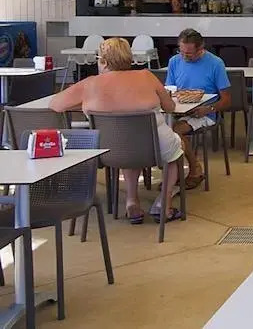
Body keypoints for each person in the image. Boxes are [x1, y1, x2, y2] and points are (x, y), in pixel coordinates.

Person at [50, 37, 183, 223]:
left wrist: (86, 103)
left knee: (128, 148)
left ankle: (131, 201)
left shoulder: (90, 84)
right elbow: (169, 107)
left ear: (104, 62)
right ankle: (164, 204)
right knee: (176, 151)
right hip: (155, 146)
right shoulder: (146, 76)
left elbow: (55, 105)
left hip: (110, 150)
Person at [167, 28, 231, 190]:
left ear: (200, 49)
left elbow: (226, 100)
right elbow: (170, 90)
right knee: (159, 129)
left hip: (206, 113)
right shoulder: (174, 61)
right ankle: (173, 173)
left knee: (174, 131)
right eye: (181, 52)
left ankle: (195, 168)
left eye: (189, 54)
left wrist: (209, 109)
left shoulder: (215, 63)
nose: (184, 57)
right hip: (179, 110)